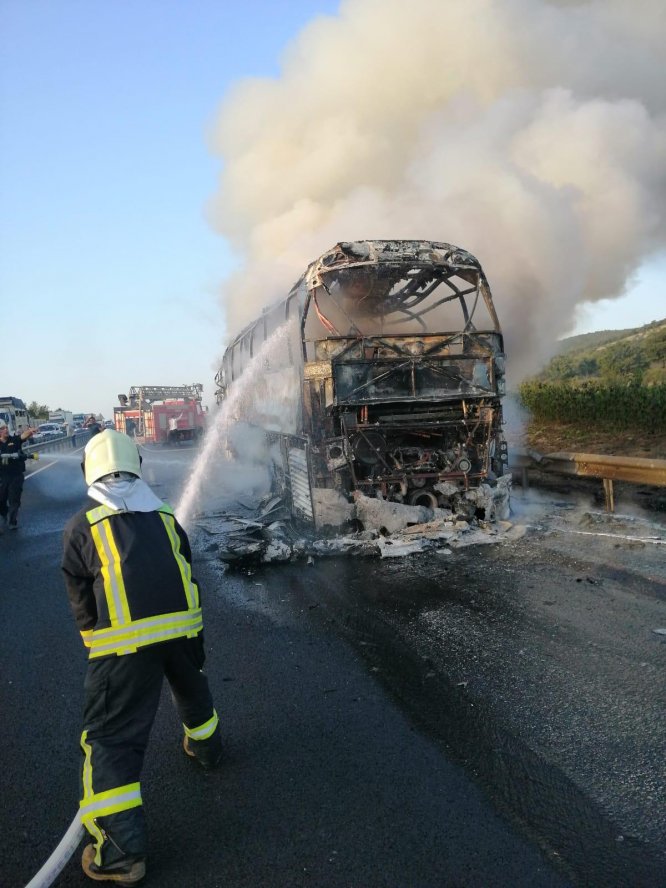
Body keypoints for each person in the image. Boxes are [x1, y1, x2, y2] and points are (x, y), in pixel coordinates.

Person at [61, 429, 222, 885]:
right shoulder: (167, 515)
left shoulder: (82, 527)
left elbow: (79, 595)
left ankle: (120, 852)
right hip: (184, 628)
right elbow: (184, 568)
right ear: (137, 466)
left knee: (111, 737)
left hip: (127, 645)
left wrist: (96, 640)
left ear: (89, 472)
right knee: (193, 689)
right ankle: (207, 748)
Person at [0, 419, 37, 531]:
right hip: (2, 478)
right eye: (2, 428)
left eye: (6, 427)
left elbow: (22, 437)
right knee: (1, 501)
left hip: (16, 476)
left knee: (14, 500)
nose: (6, 430)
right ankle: (4, 514)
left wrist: (30, 431)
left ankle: (12, 522)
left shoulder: (14, 440)